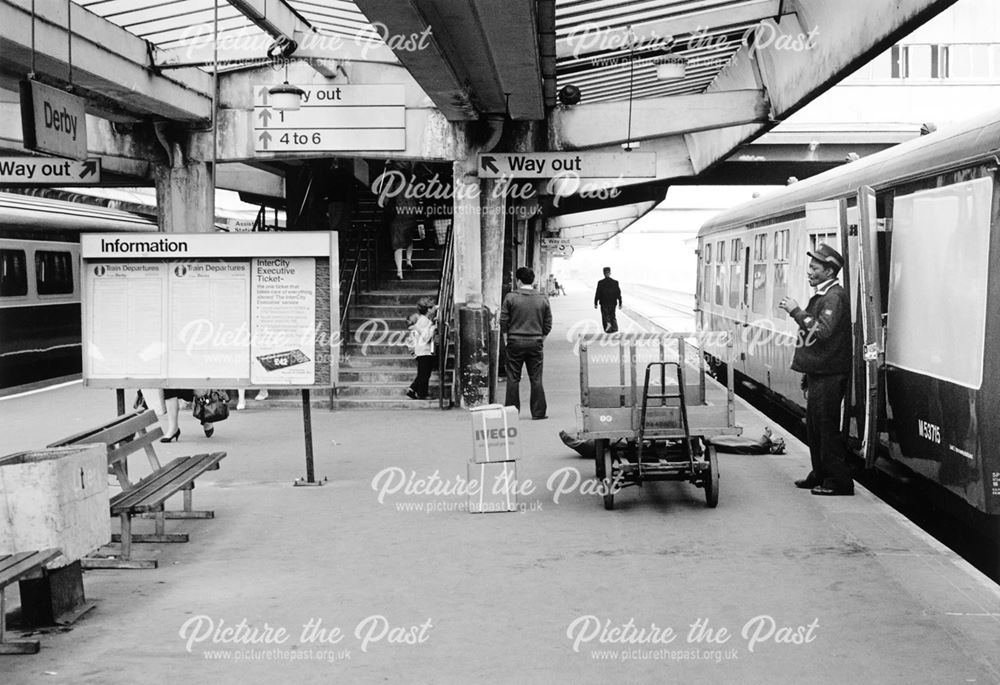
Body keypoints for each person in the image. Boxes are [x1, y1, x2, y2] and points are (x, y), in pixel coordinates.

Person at [777, 243, 854, 496]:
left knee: (826, 427)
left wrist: (796, 311)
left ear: (829, 272)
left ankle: (838, 482)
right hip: (820, 372)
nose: (809, 272)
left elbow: (821, 332)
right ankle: (819, 473)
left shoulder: (834, 297)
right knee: (814, 426)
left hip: (830, 374)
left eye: (814, 268)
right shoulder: (824, 295)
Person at [500, 266, 552, 419]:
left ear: (518, 281)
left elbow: (503, 321)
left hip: (514, 342)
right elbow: (548, 324)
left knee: (513, 378)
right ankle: (538, 413)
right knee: (536, 378)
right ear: (533, 280)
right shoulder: (542, 298)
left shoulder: (510, 297)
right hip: (535, 342)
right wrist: (540, 339)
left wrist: (506, 340)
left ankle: (511, 413)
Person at [405, 300, 437, 400]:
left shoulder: (423, 320)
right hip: (424, 350)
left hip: (422, 350)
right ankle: (422, 393)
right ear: (428, 310)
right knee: (424, 374)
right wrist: (433, 328)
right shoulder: (424, 321)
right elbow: (426, 337)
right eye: (432, 308)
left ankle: (412, 389)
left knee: (423, 373)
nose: (434, 309)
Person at [390, 196, 421, 280]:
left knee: (397, 245)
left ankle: (399, 271)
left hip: (397, 220)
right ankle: (408, 261)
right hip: (409, 218)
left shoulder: (394, 189)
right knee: (409, 240)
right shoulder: (412, 189)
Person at [594, 266, 622, 333]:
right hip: (612, 303)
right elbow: (618, 293)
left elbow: (598, 293)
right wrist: (620, 302)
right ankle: (614, 328)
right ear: (610, 273)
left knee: (605, 316)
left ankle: (608, 328)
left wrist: (595, 303)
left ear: (603, 273)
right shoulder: (615, 282)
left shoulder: (600, 283)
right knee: (612, 315)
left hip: (604, 303)